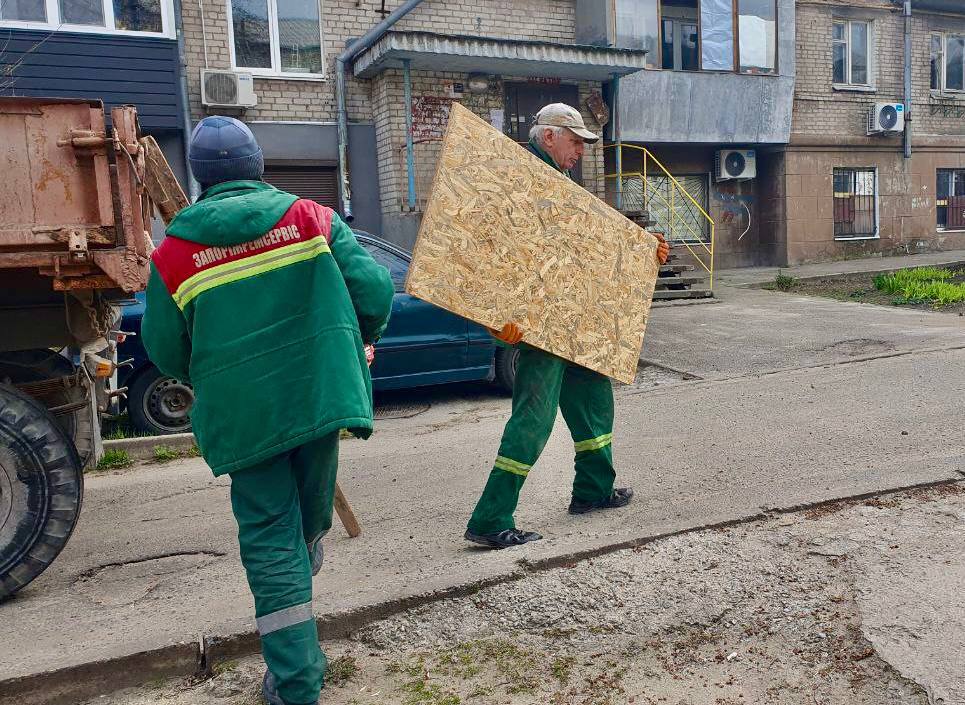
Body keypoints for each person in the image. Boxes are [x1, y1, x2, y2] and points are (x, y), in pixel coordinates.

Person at [141, 116, 393, 705]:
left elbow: (165, 349)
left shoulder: (174, 253)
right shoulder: (311, 219)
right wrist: (361, 336)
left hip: (245, 416)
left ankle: (295, 680)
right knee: (302, 529)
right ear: (259, 166)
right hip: (318, 397)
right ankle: (298, 657)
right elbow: (376, 292)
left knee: (270, 539)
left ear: (199, 178)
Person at [464, 103, 670, 550]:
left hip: (575, 322)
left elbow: (590, 242)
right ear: (550, 135)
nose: (581, 151)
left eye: (583, 143)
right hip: (539, 328)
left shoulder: (561, 182)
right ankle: (490, 517)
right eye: (576, 141)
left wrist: (641, 250)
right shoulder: (520, 178)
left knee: (595, 404)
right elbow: (486, 254)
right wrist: (495, 322)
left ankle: (593, 490)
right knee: (532, 422)